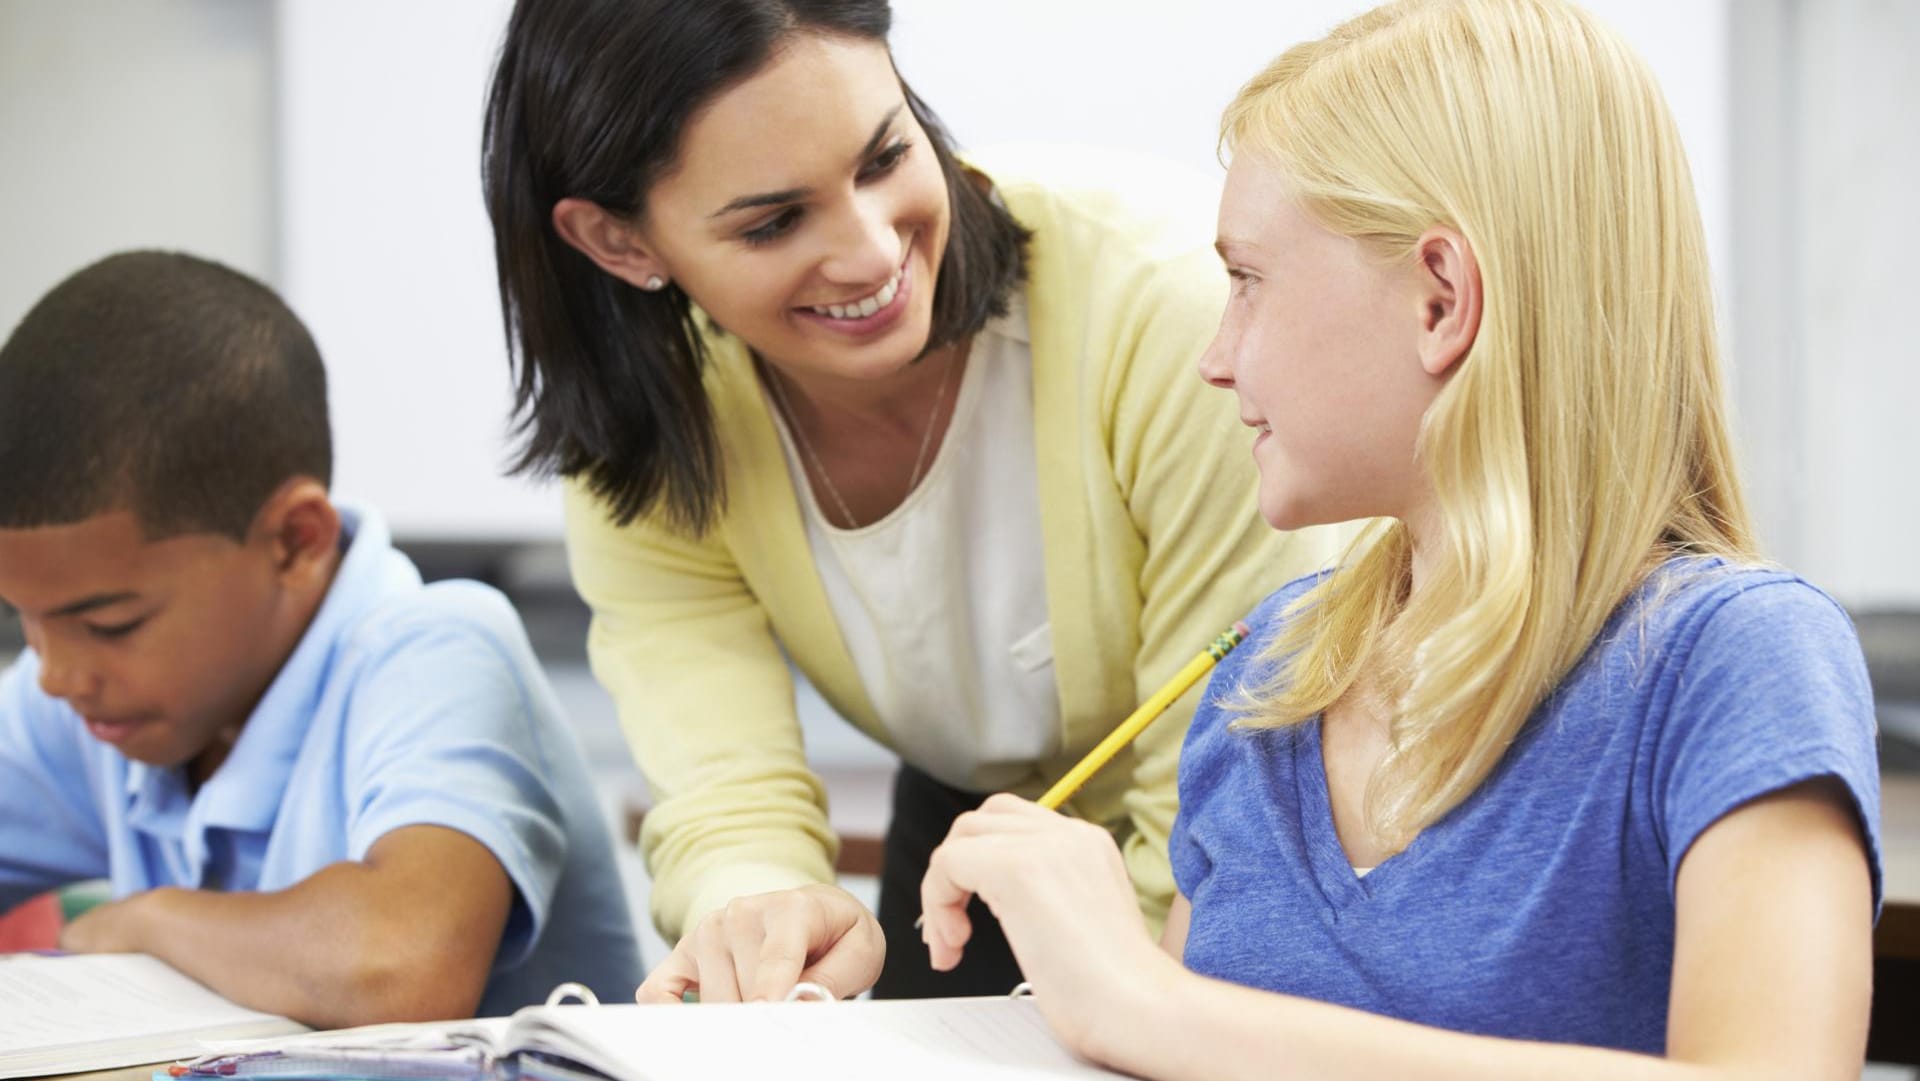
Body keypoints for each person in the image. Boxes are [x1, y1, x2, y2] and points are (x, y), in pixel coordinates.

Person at [917, 0, 1881, 1076]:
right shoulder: (1271, 671)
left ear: (1441, 300)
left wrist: (1149, 1001)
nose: (1215, 359)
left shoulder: (1738, 660)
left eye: (1246, 281)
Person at [482, 0, 1346, 1002]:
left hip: (1259, 840)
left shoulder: (1172, 310)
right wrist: (763, 922)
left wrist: (1129, 1004)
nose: (871, 254)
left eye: (884, 157)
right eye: (772, 222)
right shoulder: (650, 441)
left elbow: (1224, 803)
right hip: (974, 836)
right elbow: (728, 798)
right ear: (618, 242)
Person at [0, 251, 643, 1026]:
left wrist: (146, 920)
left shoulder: (439, 651)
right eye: (23, 619)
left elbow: (399, 965)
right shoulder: (92, 698)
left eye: (110, 624)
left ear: (296, 541)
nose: (56, 672)